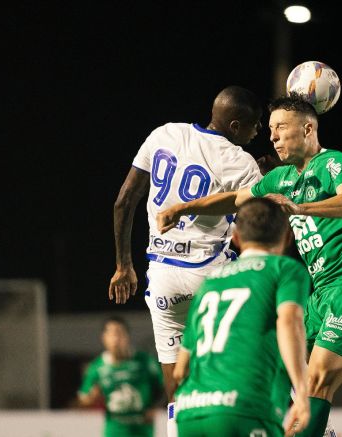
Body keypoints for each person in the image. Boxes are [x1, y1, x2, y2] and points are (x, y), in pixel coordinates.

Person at [157, 93, 342, 436]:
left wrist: (300, 208)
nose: (272, 136)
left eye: (281, 127)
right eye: (270, 129)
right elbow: (236, 199)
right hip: (321, 294)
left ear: (308, 128)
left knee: (314, 381)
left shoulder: (338, 164)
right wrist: (182, 208)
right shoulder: (279, 180)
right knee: (278, 369)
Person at [108, 85, 264, 434]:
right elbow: (255, 229)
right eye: (256, 125)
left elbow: (124, 201)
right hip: (210, 274)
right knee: (252, 353)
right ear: (237, 126)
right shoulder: (241, 162)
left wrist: (123, 265)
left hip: (162, 277)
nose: (259, 133)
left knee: (175, 385)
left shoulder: (164, 133)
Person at [173, 197, 310, 436]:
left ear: (235, 238)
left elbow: (180, 369)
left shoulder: (210, 283)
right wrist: (302, 393)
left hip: (190, 414)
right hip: (245, 408)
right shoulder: (285, 270)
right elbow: (289, 323)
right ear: (288, 237)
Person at [76, 316, 164, 437]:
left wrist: (155, 407)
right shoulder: (96, 367)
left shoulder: (145, 361)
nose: (116, 339)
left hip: (142, 429)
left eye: (120, 333)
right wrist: (91, 398)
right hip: (114, 430)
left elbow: (164, 388)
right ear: (104, 338)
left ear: (127, 337)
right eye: (111, 334)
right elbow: (83, 399)